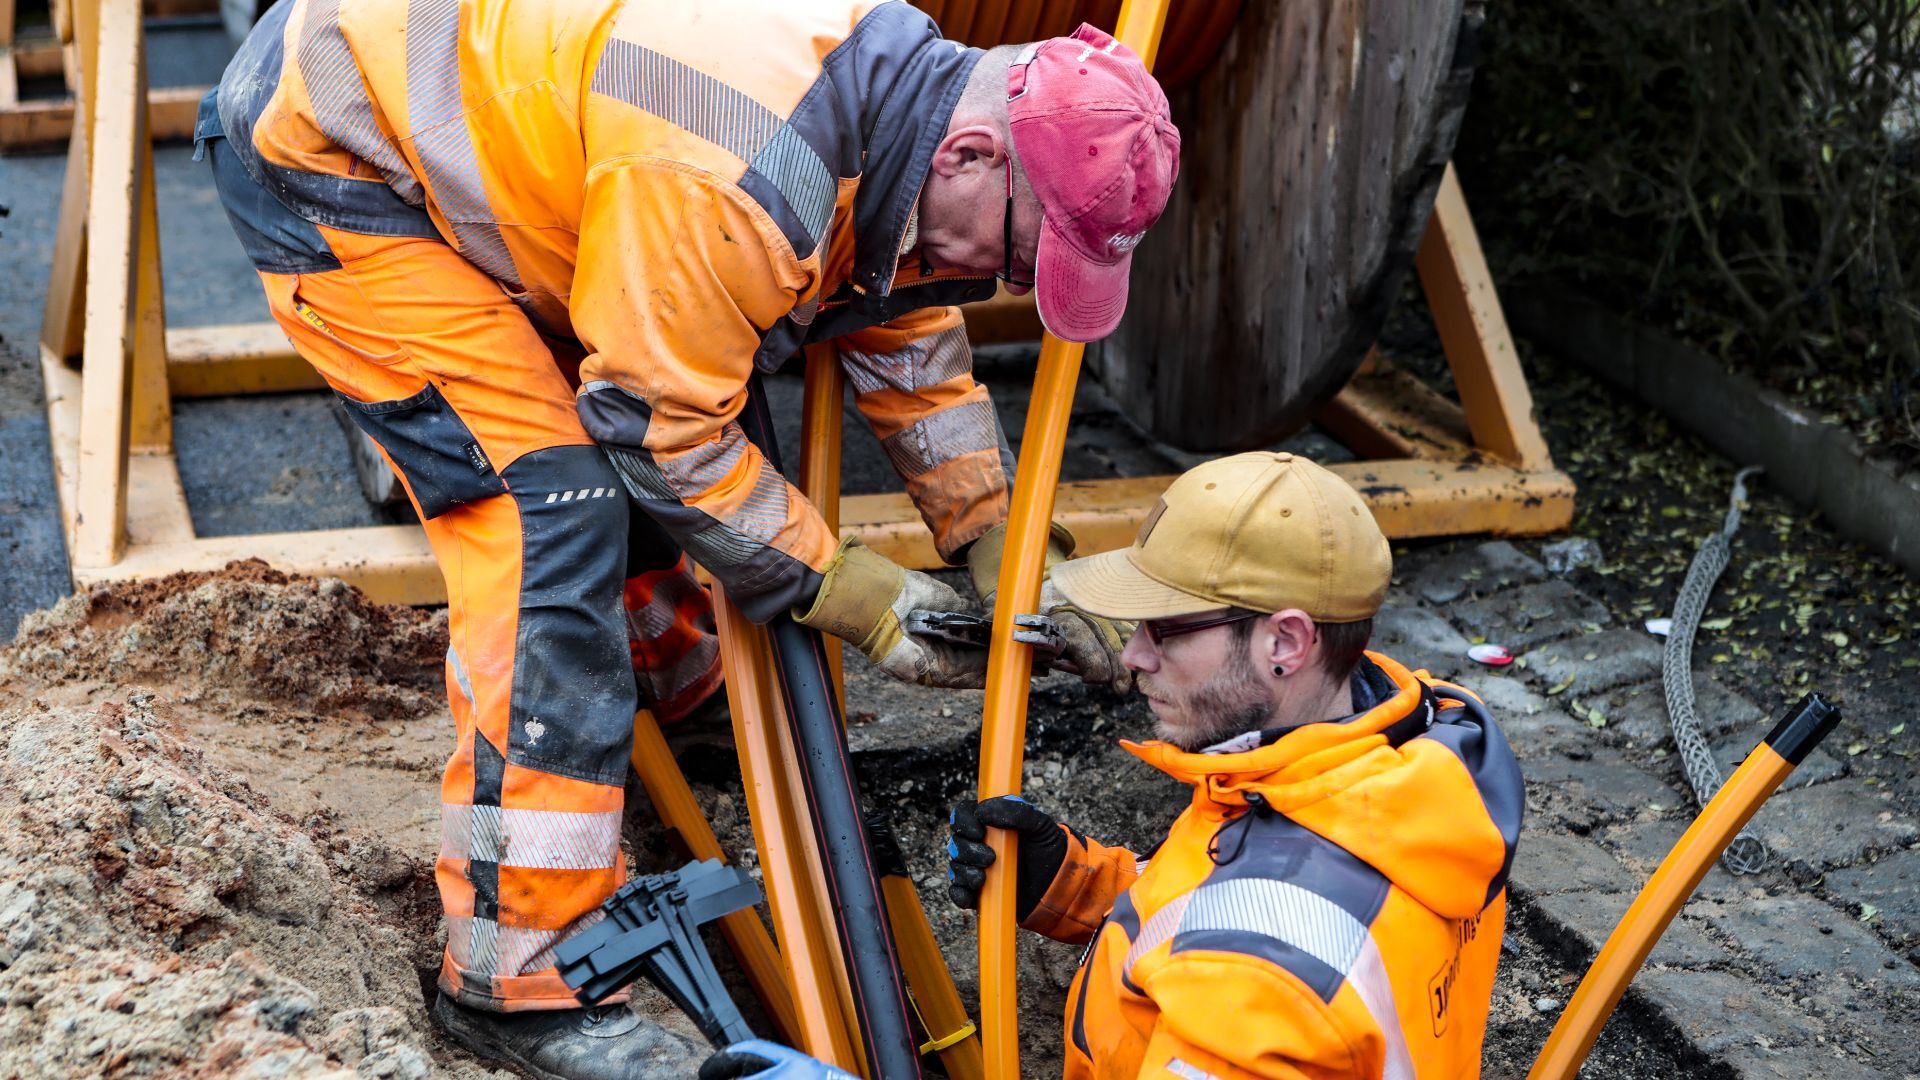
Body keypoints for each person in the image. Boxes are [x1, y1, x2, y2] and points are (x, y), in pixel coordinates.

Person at [195, 1, 1177, 1075]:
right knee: (552, 509)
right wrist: (853, 595)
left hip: (529, 130)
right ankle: (521, 970)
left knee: (660, 398)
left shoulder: (900, 106)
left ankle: (683, 695)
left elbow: (898, 312)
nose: (1004, 278)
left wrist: (993, 534)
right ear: (973, 151)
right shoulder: (740, 172)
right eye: (1018, 248)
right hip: (343, 143)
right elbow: (661, 436)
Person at [711, 452, 1523, 1077]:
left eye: (1165, 629)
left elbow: (1254, 947)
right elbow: (1260, 896)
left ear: (1286, 641)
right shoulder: (1401, 759)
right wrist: (1076, 888)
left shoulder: (1260, 982)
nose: (1130, 656)